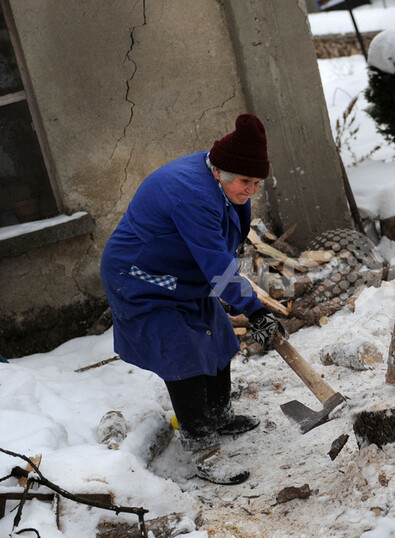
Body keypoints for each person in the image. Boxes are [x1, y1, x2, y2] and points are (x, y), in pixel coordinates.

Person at [100, 114, 282, 485]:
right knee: (180, 349)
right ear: (220, 172)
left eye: (257, 183)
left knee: (216, 336)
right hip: (139, 275)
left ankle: (218, 415)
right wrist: (254, 308)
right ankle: (203, 448)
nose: (251, 190)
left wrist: (238, 296)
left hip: (182, 271)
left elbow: (225, 244)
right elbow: (216, 261)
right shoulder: (192, 193)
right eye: (246, 182)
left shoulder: (223, 173)